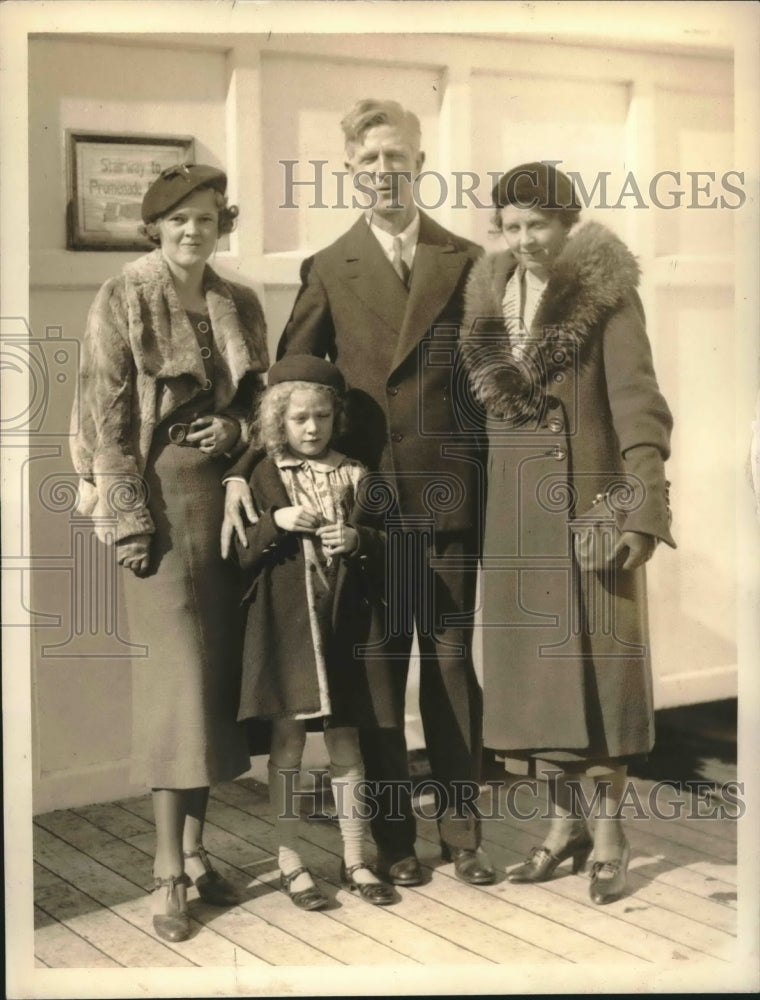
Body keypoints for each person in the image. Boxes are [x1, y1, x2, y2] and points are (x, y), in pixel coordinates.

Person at [223, 99, 494, 887]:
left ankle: (464, 836)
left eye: (397, 157)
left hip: (446, 502)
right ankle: (395, 842)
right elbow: (283, 392)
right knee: (377, 676)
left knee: (448, 667)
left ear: (420, 161)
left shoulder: (471, 261)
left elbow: (494, 387)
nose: (384, 172)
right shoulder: (329, 267)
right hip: (365, 514)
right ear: (350, 171)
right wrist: (246, 472)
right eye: (369, 160)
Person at [461, 161, 675, 904]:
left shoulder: (606, 295)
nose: (524, 240)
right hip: (515, 514)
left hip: (591, 506)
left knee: (600, 682)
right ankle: (563, 829)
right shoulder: (487, 297)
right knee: (534, 690)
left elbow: (639, 402)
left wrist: (643, 505)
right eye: (511, 227)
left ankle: (610, 833)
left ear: (567, 221)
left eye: (538, 225)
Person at [70, 164, 269, 941]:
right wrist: (126, 521)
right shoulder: (124, 295)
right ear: (155, 227)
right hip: (156, 501)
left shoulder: (240, 301)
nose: (195, 231)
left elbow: (263, 404)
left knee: (216, 683)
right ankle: (163, 875)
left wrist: (240, 433)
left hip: (226, 499)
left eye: (208, 219)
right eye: (180, 219)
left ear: (223, 224)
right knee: (176, 688)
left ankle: (195, 855)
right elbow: (106, 415)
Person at [232, 354, 395, 908]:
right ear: (280, 419)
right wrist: (272, 524)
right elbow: (234, 552)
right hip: (289, 632)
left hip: (343, 628)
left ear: (336, 417)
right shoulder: (262, 474)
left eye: (322, 416)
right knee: (289, 744)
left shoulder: (357, 473)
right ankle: (289, 859)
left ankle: (355, 858)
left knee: (347, 744)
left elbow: (390, 540)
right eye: (299, 417)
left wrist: (359, 540)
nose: (311, 428)